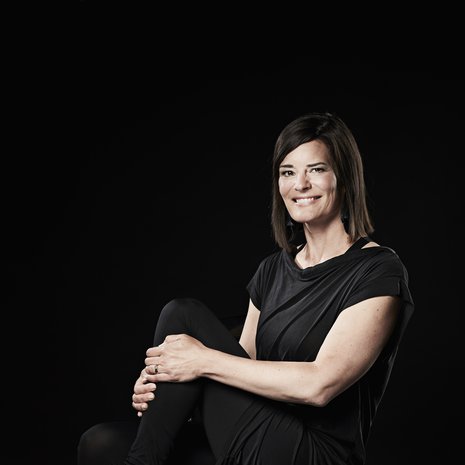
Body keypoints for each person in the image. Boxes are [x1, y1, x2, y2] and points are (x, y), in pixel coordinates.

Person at [78, 111, 414, 465]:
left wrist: (201, 362)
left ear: (344, 179)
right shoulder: (272, 270)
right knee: (100, 443)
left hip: (315, 451)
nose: (300, 184)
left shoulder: (378, 270)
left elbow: (320, 385)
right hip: (258, 431)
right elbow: (239, 371)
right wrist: (168, 380)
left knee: (183, 315)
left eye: (316, 169)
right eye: (288, 172)